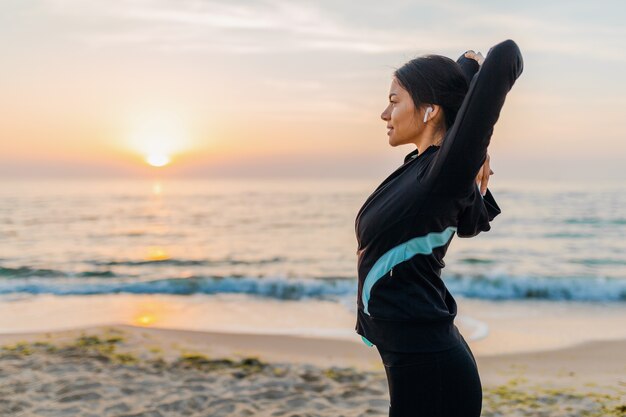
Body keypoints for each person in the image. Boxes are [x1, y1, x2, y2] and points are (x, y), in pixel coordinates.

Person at [354, 39, 524, 417]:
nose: (385, 113)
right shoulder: (422, 166)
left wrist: (474, 146)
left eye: (394, 101)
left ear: (429, 111)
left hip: (433, 369)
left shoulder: (443, 173)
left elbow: (506, 55)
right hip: (414, 364)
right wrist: (465, 64)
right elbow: (454, 87)